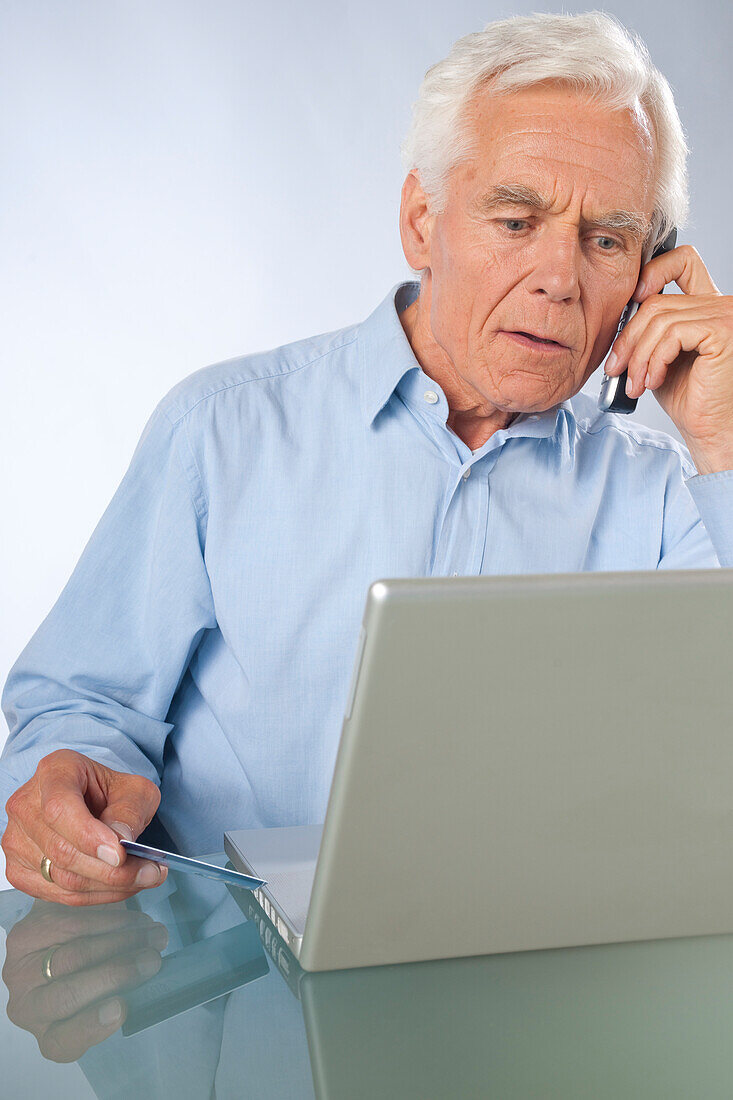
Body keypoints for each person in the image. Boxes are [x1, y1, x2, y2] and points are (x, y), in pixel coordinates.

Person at [3, 11, 733, 906]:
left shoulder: (672, 497)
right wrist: (68, 781)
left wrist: (723, 438)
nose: (559, 278)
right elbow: (81, 703)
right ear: (423, 221)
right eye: (515, 219)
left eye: (607, 240)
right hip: (243, 993)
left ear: (649, 278)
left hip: (534, 981)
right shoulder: (221, 431)